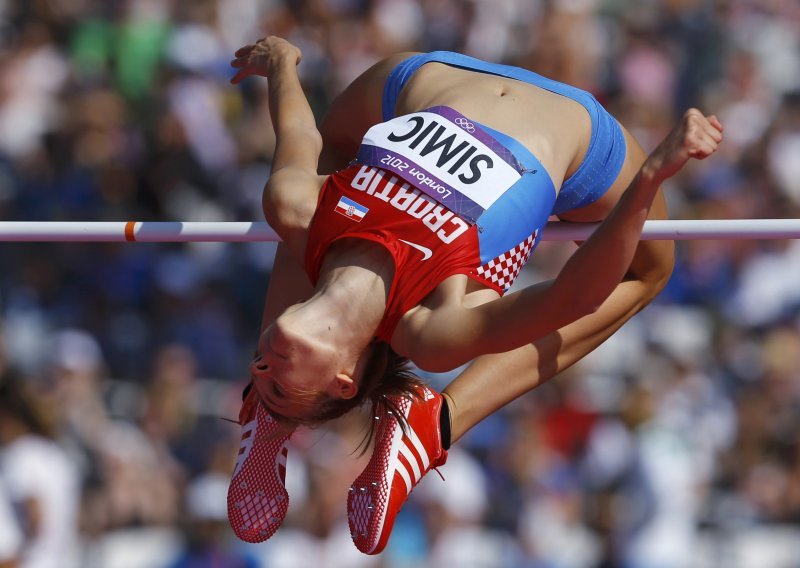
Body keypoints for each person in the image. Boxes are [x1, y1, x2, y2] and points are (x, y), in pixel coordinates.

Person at [225, 36, 723, 554]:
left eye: (257, 375)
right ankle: (435, 422)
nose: (262, 368)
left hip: (425, 78)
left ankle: (266, 418)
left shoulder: (296, 209)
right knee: (648, 272)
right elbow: (575, 297)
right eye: (278, 388)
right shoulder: (431, 328)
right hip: (572, 128)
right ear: (344, 380)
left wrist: (283, 63)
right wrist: (647, 180)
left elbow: (300, 132)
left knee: (315, 177)